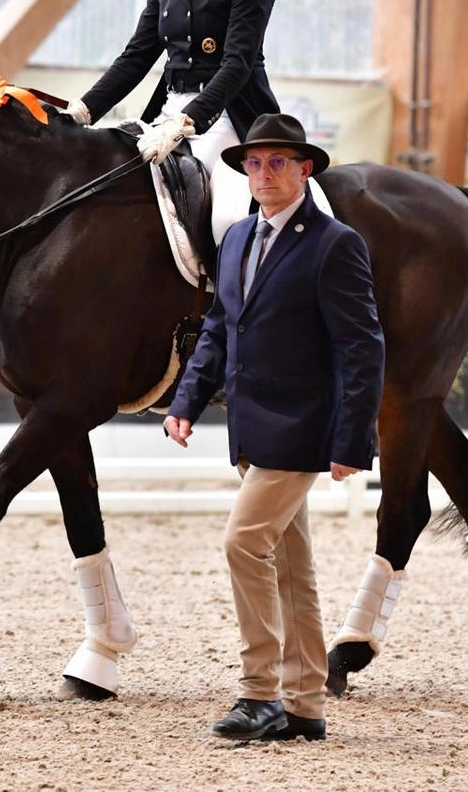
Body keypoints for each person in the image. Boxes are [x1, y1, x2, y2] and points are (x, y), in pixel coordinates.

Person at [162, 113, 385, 742]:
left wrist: (352, 438)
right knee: (291, 567)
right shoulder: (236, 237)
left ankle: (259, 691)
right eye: (255, 164)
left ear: (304, 169)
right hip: (249, 425)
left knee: (242, 543)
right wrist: (186, 400)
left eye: (278, 162)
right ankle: (306, 703)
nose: (264, 174)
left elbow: (362, 348)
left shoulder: (334, 243)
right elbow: (218, 328)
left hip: (302, 426)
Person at [67, 0, 280, 247]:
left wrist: (186, 122)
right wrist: (82, 110)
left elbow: (237, 63)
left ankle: (235, 289)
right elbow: (138, 55)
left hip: (224, 119)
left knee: (227, 219)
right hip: (168, 112)